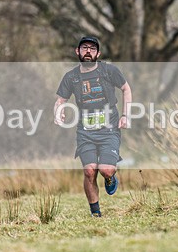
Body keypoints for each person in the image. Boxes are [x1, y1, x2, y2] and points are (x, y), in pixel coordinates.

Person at [54, 36, 132, 217]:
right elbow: (60, 100)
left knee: (105, 169)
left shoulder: (109, 70)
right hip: (85, 132)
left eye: (92, 48)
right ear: (77, 51)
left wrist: (126, 115)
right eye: (84, 48)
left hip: (109, 129)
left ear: (98, 53)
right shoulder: (71, 77)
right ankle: (95, 213)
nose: (88, 51)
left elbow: (126, 89)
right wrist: (58, 112)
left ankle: (110, 177)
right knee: (89, 171)